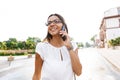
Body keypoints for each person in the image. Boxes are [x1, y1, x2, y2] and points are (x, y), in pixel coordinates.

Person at [32, 13, 82, 80]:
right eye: (49, 23)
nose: (52, 24)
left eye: (56, 21)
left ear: (63, 26)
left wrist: (69, 47)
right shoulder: (41, 47)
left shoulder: (73, 45)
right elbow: (37, 74)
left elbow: (78, 72)